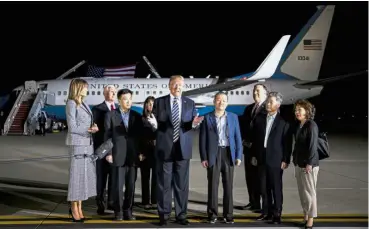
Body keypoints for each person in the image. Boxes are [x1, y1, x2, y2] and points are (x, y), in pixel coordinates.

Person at [147, 75, 203, 226]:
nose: (177, 87)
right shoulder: (160, 102)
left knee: (181, 185)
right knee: (164, 184)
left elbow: (189, 125)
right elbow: (156, 124)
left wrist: (194, 124)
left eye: (180, 85)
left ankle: (181, 215)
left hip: (182, 149)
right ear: (169, 86)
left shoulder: (189, 103)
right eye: (174, 84)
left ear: (183, 86)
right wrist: (154, 124)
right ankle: (164, 215)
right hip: (165, 149)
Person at [199, 92, 242, 224]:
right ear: (214, 102)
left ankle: (228, 214)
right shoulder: (207, 118)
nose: (221, 102)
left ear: (227, 103)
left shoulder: (233, 117)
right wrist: (204, 157)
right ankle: (212, 214)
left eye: (224, 100)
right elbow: (202, 140)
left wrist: (238, 155)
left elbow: (237, 138)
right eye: (218, 100)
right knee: (213, 185)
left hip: (228, 153)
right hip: (214, 153)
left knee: (228, 185)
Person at [250, 92, 292, 224]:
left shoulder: (283, 123)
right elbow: (255, 140)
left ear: (278, 105)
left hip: (276, 160)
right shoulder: (260, 119)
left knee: (276, 187)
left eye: (271, 102)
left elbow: (287, 143)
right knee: (264, 187)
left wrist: (286, 159)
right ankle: (266, 212)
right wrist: (254, 155)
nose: (268, 104)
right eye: (267, 102)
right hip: (262, 158)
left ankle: (277, 213)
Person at [104, 88, 143, 221]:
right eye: (125, 99)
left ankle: (128, 211)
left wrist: (141, 153)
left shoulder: (137, 116)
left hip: (133, 156)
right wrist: (108, 153)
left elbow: (140, 137)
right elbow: (107, 135)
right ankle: (118, 212)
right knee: (117, 186)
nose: (128, 101)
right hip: (117, 154)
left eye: (130, 99)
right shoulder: (111, 115)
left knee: (131, 186)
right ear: (119, 100)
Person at [65, 78, 98, 222]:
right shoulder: (71, 103)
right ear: (78, 88)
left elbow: (85, 122)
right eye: (85, 87)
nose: (87, 89)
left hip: (87, 144)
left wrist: (93, 127)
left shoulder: (84, 103)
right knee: (76, 177)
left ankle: (79, 207)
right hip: (78, 145)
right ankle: (73, 207)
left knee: (83, 177)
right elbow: (72, 126)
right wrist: (89, 129)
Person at [238, 83, 268, 211]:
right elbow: (243, 127)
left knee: (261, 179)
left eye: (258, 91)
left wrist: (256, 146)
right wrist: (244, 141)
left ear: (265, 94)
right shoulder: (249, 108)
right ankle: (253, 202)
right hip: (248, 149)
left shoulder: (268, 109)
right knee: (250, 177)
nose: (255, 93)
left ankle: (263, 205)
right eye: (254, 91)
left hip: (261, 151)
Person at [293, 99, 319, 229]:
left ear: (307, 111)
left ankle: (311, 220)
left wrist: (309, 163)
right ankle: (305, 216)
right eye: (296, 110)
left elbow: (313, 146)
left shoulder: (311, 125)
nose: (297, 112)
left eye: (300, 110)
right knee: (303, 193)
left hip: (308, 165)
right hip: (299, 163)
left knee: (309, 193)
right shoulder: (300, 125)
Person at [92, 85, 117, 215]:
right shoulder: (97, 109)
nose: (111, 93)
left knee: (113, 178)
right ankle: (100, 204)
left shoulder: (118, 108)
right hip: (102, 150)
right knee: (101, 179)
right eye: (108, 91)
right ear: (104, 93)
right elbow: (96, 132)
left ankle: (111, 203)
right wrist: (105, 151)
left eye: (113, 91)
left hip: (116, 151)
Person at [139, 96, 157, 210]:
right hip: (145, 151)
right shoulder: (141, 119)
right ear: (145, 105)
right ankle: (145, 201)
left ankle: (155, 200)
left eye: (152, 104)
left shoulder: (159, 118)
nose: (150, 106)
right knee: (145, 177)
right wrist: (140, 152)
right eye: (148, 103)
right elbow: (139, 137)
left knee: (156, 177)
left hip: (156, 151)